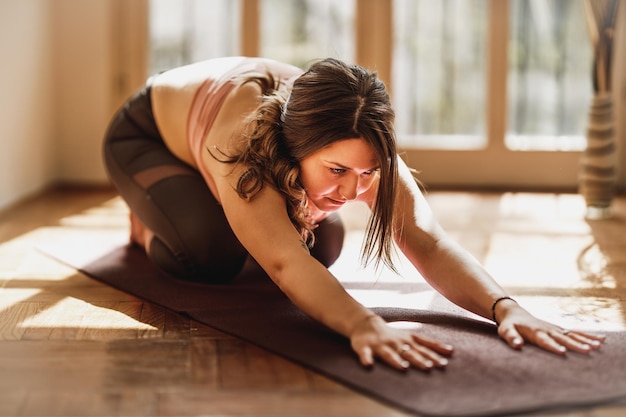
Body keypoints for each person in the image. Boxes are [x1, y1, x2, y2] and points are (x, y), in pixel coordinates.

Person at [103, 56, 604, 371]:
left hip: (232, 153)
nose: (353, 189)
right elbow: (282, 263)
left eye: (367, 173)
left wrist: (505, 307)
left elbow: (428, 242)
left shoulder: (360, 138)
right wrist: (362, 324)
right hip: (147, 139)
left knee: (327, 245)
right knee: (208, 252)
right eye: (337, 170)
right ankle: (148, 217)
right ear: (293, 148)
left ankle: (223, 210)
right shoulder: (243, 147)